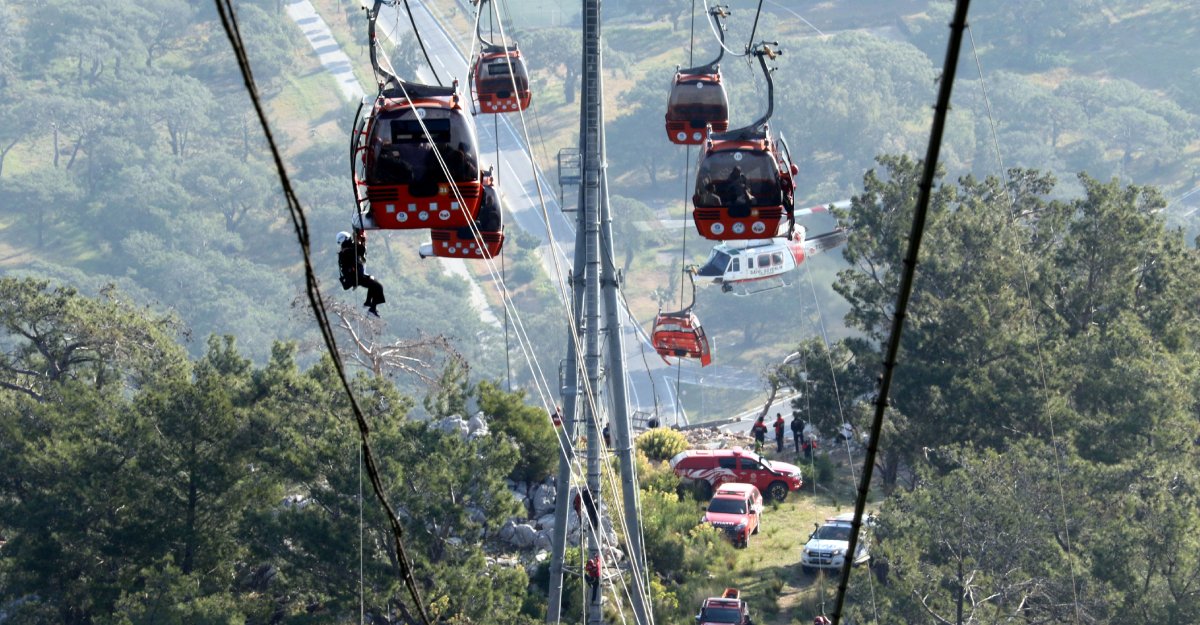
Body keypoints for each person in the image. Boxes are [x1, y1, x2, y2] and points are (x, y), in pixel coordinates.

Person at [337, 229, 386, 317]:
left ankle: (368, 303)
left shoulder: (346, 251)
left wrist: (360, 240)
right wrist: (359, 241)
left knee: (374, 283)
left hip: (357, 276)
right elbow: (360, 250)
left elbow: (360, 251)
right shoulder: (347, 252)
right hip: (356, 277)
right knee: (378, 287)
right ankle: (372, 309)